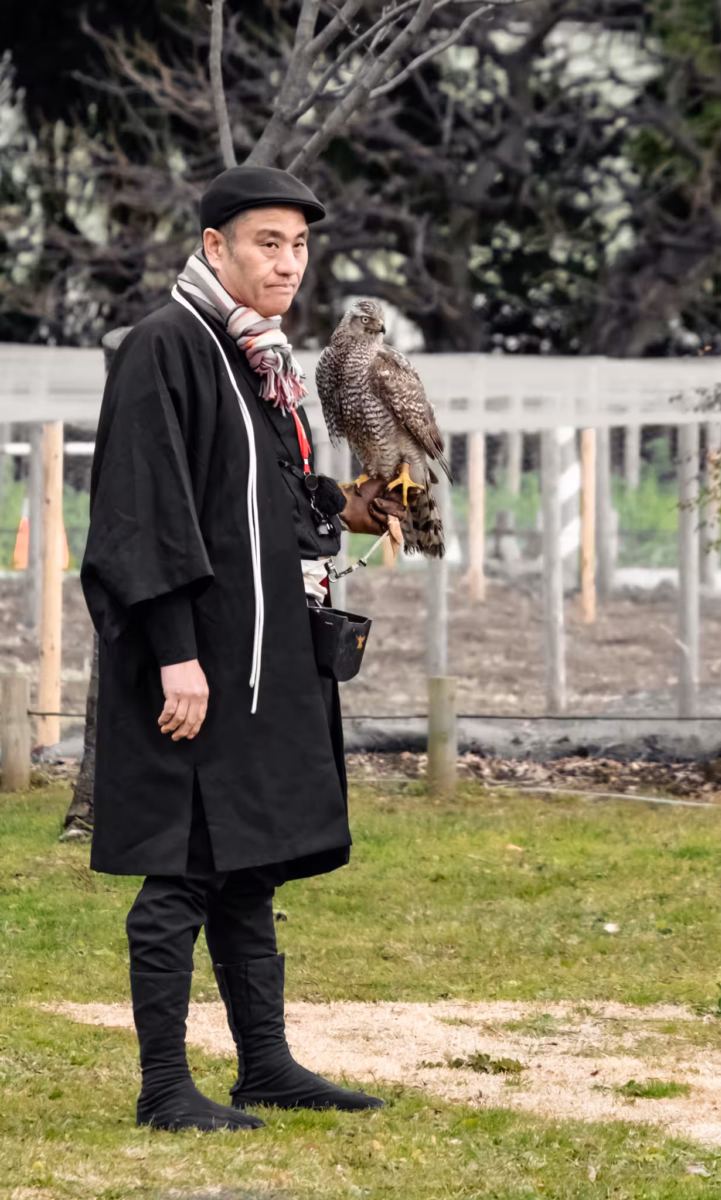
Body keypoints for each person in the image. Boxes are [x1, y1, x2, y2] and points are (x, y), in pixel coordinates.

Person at [81, 165, 405, 1133]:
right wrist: (175, 652)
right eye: (269, 243)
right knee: (178, 870)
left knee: (245, 863)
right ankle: (163, 1088)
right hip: (192, 665)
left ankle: (263, 1063)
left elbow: (257, 497)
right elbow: (143, 512)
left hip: (255, 664)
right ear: (215, 246)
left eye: (300, 247)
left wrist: (345, 508)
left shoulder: (259, 359)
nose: (289, 263)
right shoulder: (165, 348)